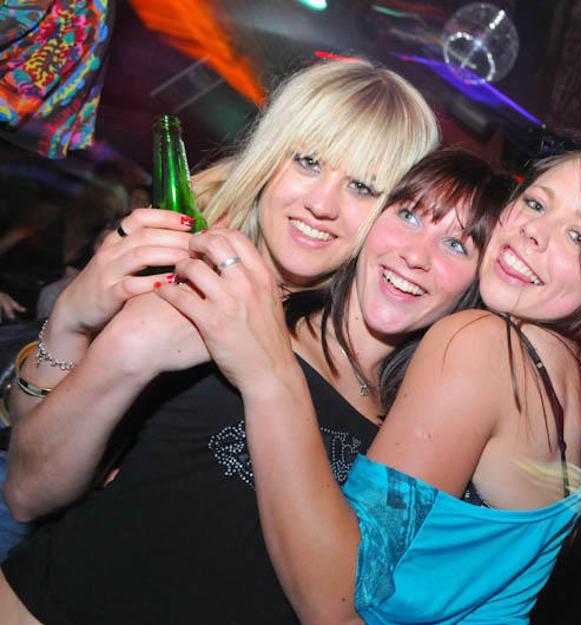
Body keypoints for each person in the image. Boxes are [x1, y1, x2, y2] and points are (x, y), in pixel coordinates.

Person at [0, 149, 511, 624]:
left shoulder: (415, 443)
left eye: (456, 245)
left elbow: (347, 605)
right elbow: (29, 490)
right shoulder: (233, 313)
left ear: (475, 284)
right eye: (409, 216)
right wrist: (87, 333)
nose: (416, 255)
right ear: (372, 221)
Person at [6, 56, 438, 448]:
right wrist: (70, 322)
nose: (322, 205)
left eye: (362, 187)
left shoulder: (358, 360)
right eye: (308, 162)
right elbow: (29, 445)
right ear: (269, 156)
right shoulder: (176, 263)